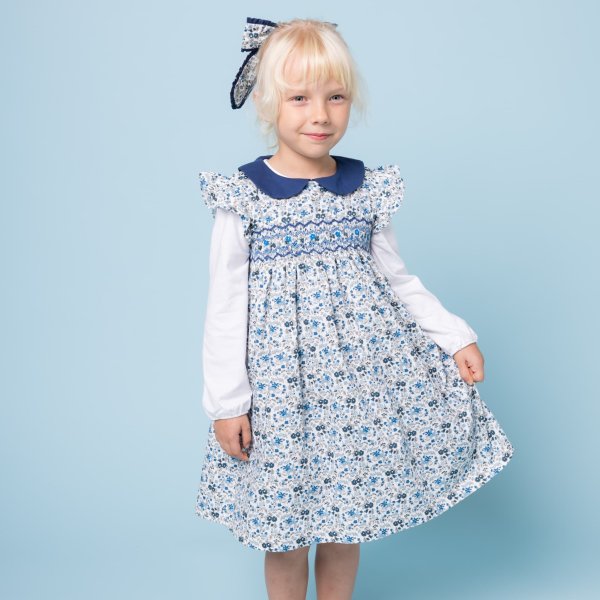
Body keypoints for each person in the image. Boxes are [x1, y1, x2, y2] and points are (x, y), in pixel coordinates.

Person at [195, 16, 515, 600]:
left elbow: (398, 279)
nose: (319, 114)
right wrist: (227, 402)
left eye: (335, 97)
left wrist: (455, 336)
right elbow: (224, 309)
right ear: (266, 102)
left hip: (357, 390)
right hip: (283, 396)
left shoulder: (365, 189)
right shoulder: (244, 198)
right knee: (286, 536)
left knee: (348, 523)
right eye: (299, 98)